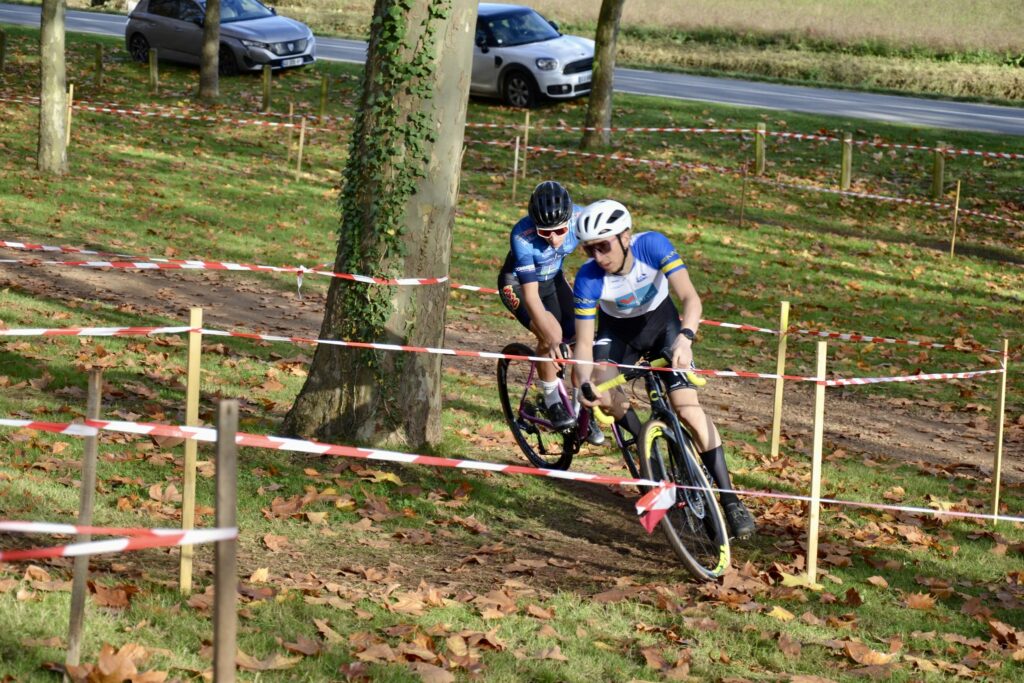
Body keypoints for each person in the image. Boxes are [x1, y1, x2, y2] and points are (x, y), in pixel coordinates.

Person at [570, 199, 756, 540]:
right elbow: (583, 345)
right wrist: (584, 382)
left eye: (603, 246)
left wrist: (686, 339)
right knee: (602, 387)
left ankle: (731, 500)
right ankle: (648, 444)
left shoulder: (652, 246)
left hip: (664, 329)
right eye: (589, 249)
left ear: (625, 237)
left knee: (687, 409)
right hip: (618, 336)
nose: (597, 256)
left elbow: (691, 298)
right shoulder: (588, 278)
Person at [498, 181, 604, 445]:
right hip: (520, 286)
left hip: (553, 279)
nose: (554, 239)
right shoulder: (522, 236)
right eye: (545, 233)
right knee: (551, 335)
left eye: (560, 231)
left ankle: (580, 411)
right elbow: (532, 296)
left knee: (581, 338)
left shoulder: (582, 217)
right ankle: (551, 400)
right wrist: (550, 336)